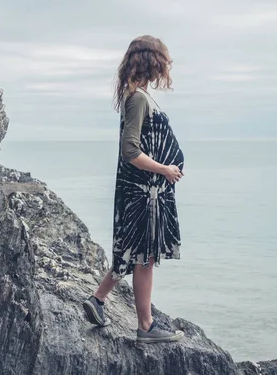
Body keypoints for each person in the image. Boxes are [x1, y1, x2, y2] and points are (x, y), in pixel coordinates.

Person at [82, 35, 185, 343]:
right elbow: (131, 151)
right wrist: (164, 169)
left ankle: (98, 300)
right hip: (143, 193)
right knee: (144, 258)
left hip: (142, 192)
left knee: (131, 251)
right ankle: (145, 326)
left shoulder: (137, 95)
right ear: (151, 61)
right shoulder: (138, 98)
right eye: (163, 60)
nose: (166, 65)